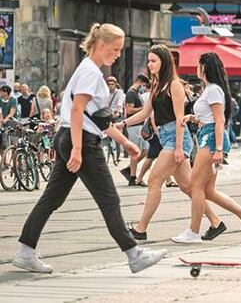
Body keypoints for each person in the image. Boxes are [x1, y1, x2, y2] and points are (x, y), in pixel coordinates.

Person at [14, 23, 165, 274]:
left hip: (72, 136)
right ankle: (133, 254)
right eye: (115, 50)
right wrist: (77, 148)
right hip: (81, 141)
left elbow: (97, 118)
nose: (117, 55)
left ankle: (25, 252)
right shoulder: (90, 73)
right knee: (109, 199)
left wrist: (125, 142)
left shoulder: (88, 70)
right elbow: (76, 111)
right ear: (101, 45)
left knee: (52, 198)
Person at [117, 44, 222, 242]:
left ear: (164, 62)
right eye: (148, 61)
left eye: (153, 61)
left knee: (155, 180)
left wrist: (180, 148)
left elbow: (180, 118)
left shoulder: (174, 84)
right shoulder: (156, 83)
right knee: (189, 187)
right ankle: (216, 222)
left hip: (176, 138)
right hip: (165, 137)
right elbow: (144, 112)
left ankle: (141, 228)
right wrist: (122, 123)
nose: (149, 65)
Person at [179, 52, 241, 244]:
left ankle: (194, 231)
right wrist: (193, 118)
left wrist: (219, 150)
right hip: (208, 136)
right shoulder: (211, 89)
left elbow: (219, 120)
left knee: (195, 186)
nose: (196, 68)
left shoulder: (213, 90)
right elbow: (210, 118)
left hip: (211, 140)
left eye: (198, 64)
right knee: (208, 190)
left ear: (204, 67)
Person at [121, 74, 149, 185]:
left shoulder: (137, 93)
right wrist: (144, 109)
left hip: (140, 125)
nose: (144, 87)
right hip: (133, 126)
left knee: (146, 149)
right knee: (135, 152)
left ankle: (129, 169)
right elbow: (129, 110)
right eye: (144, 85)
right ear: (140, 82)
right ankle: (132, 177)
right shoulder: (131, 93)